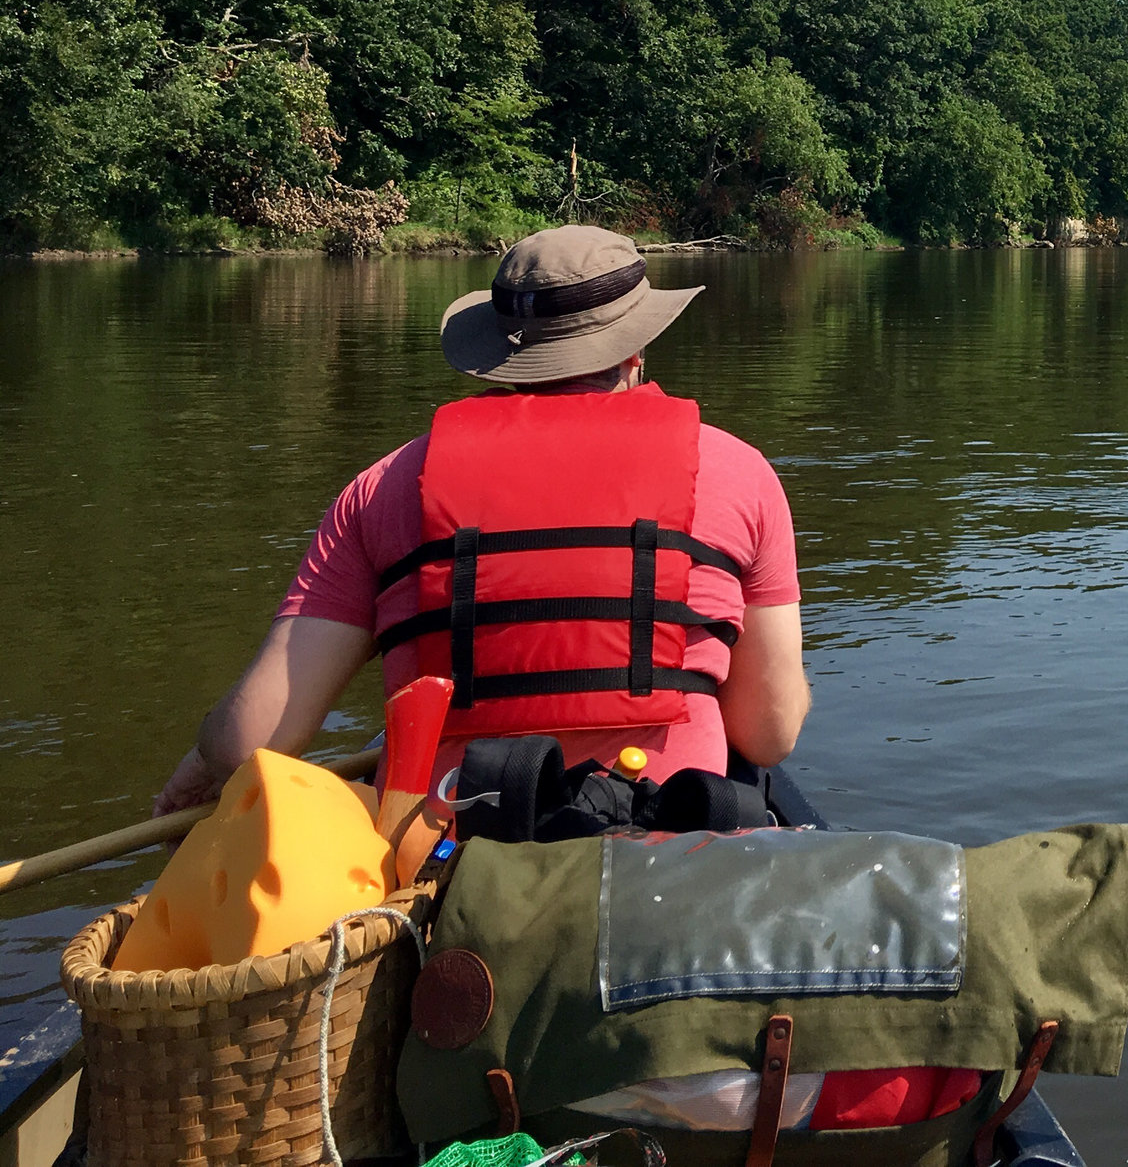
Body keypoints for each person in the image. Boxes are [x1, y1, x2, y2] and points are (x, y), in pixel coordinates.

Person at [155, 226, 810, 815]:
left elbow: (251, 739)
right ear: (635, 351)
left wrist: (205, 758)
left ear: (497, 357)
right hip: (663, 845)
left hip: (450, 851)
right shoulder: (738, 472)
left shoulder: (382, 488)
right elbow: (768, 731)